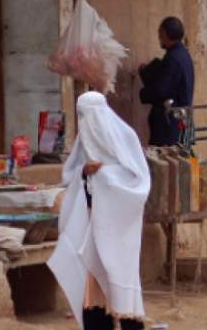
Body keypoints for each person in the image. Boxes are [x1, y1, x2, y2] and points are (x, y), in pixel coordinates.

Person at [48, 92, 151, 330]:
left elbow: (140, 183)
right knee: (93, 287)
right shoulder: (84, 143)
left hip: (119, 232)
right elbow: (70, 176)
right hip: (91, 229)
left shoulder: (125, 137)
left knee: (121, 280)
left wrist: (106, 177)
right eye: (82, 115)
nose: (87, 121)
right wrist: (85, 172)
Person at [139, 16, 195, 146]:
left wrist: (143, 93)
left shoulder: (174, 58)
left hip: (171, 126)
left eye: (160, 34)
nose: (159, 38)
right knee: (184, 160)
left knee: (169, 163)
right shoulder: (182, 54)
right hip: (181, 121)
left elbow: (162, 90)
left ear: (165, 34)